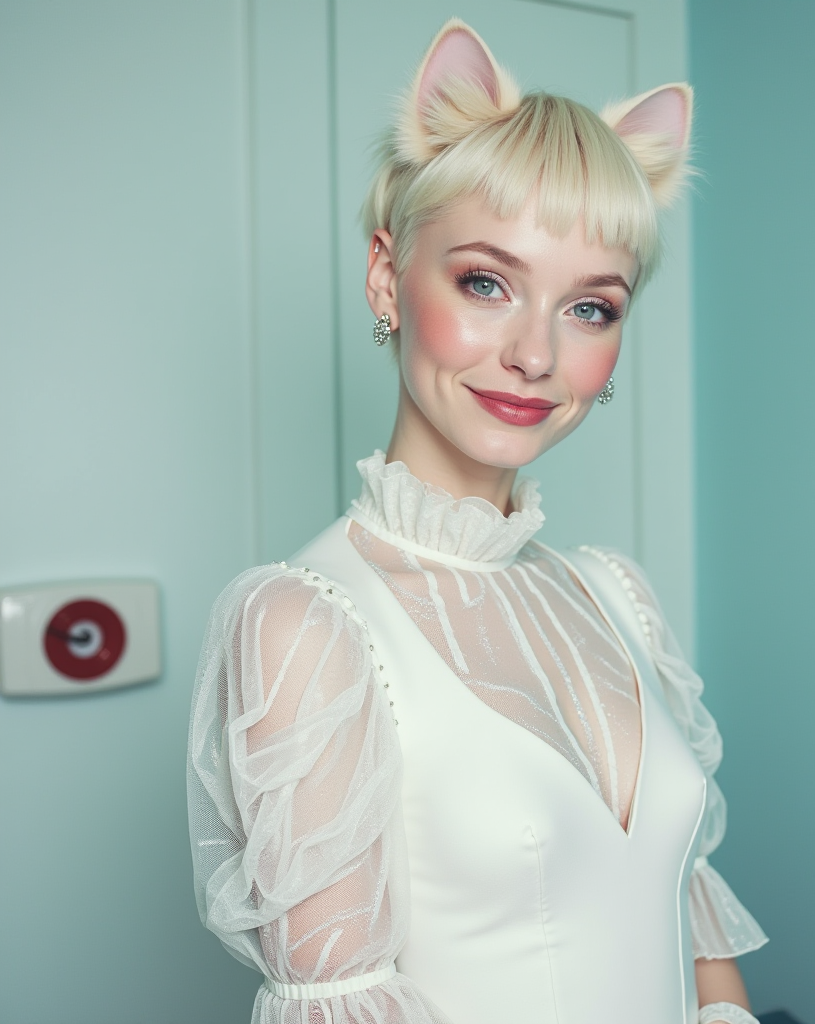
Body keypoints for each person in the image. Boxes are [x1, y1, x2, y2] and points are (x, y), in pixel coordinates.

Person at [187, 19, 767, 1024]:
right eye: (486, 283)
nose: (535, 353)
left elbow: (689, 917)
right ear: (386, 278)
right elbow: (339, 1000)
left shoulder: (615, 591)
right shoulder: (307, 624)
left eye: (590, 307)